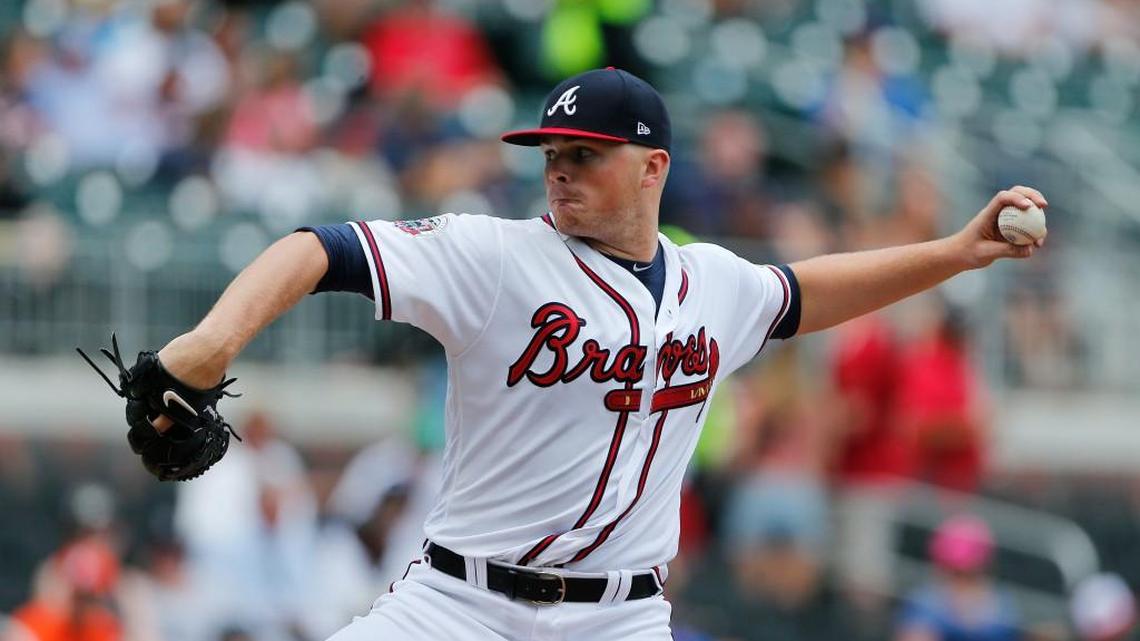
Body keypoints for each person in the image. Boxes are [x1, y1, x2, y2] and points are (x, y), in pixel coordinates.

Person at [143, 67, 1047, 640]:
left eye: (587, 153)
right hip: (460, 607)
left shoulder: (714, 283)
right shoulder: (493, 257)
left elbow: (808, 290)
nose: (560, 168)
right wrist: (210, 342)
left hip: (621, 617)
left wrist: (957, 252)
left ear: (653, 168)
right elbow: (320, 249)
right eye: (552, 151)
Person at [894, 515, 1020, 641]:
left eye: (966, 575)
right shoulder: (926, 602)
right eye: (956, 573)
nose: (960, 581)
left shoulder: (1002, 605)